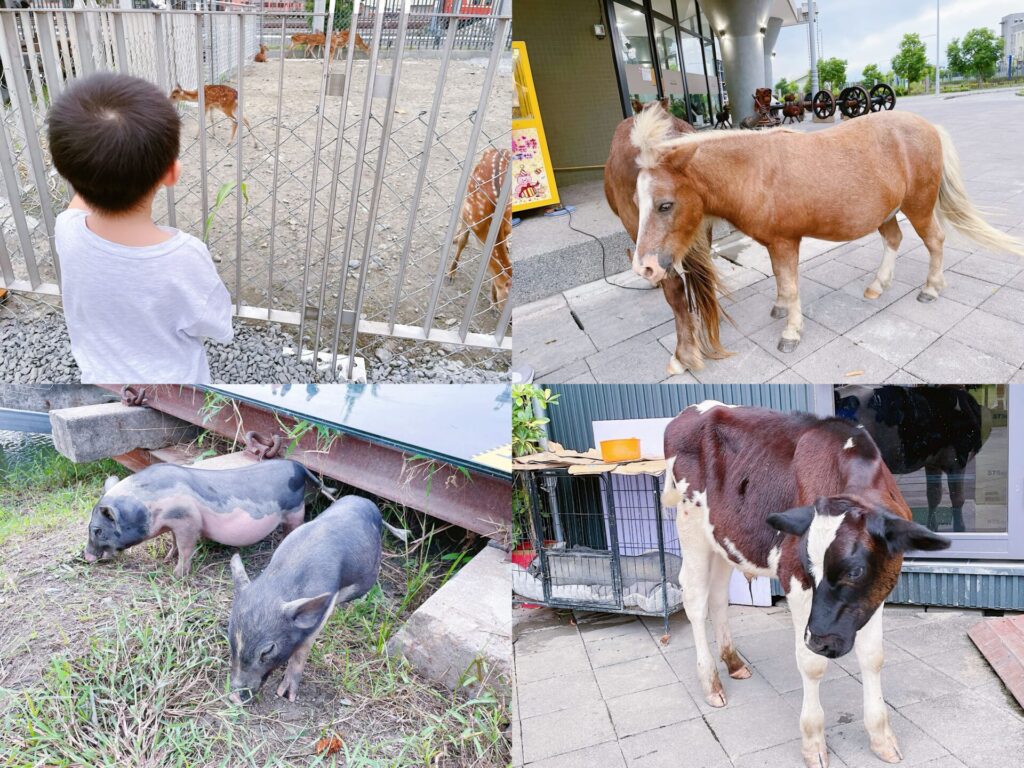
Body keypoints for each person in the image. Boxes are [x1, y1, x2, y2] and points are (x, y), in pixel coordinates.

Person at [47, 71, 232, 383]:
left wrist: (93, 164)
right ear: (172, 174)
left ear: (68, 173)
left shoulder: (67, 228)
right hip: (175, 393)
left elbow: (80, 197)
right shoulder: (185, 257)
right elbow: (216, 325)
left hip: (99, 377)